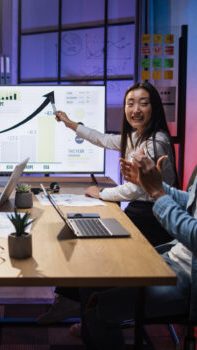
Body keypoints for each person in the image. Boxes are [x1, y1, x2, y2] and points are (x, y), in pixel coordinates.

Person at [38, 81, 179, 325]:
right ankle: (76, 303)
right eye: (130, 103)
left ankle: (88, 309)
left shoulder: (154, 143)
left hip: (153, 218)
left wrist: (101, 193)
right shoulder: (138, 136)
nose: (135, 109)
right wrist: (70, 123)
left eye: (143, 103)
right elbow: (103, 139)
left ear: (154, 108)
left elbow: (134, 190)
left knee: (95, 245)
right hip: (143, 211)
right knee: (88, 234)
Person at [75, 149, 197, 350]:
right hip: (174, 257)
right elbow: (190, 202)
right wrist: (150, 186)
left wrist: (158, 192)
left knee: (97, 307)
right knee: (91, 277)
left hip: (188, 279)